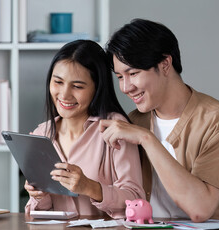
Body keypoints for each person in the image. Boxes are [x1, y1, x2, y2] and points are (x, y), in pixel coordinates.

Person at [100, 19, 219, 222]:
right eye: (120, 77)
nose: (126, 87)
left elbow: (200, 208)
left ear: (165, 64)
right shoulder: (133, 122)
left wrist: (147, 139)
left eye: (133, 73)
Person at [24, 40, 145, 218]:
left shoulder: (115, 129)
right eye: (58, 82)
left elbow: (135, 198)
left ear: (97, 88)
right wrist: (39, 195)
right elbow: (37, 213)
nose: (64, 94)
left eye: (77, 86)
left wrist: (89, 187)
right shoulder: (41, 134)